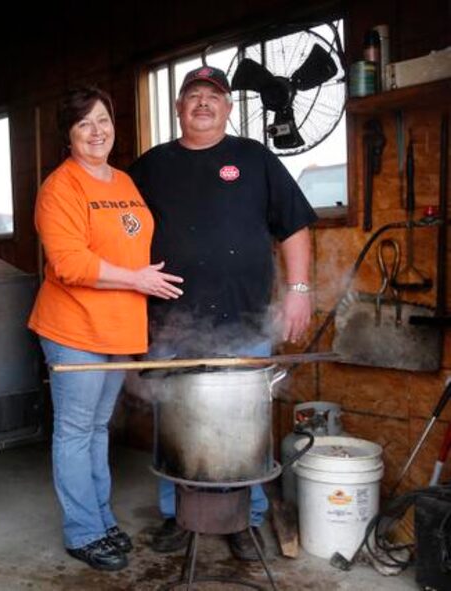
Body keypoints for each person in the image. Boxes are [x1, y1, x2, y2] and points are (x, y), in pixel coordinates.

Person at [128, 65, 317, 561]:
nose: (203, 104)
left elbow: (294, 227)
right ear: (178, 108)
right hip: (171, 321)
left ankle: (247, 518)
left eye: (214, 96)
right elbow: (118, 236)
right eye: (193, 96)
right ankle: (176, 515)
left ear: (229, 108)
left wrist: (297, 290)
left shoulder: (255, 159)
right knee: (174, 423)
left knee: (246, 424)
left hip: (246, 319)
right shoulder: (150, 167)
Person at [28, 86, 184, 571]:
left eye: (103, 121)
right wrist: (137, 279)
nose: (97, 132)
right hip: (73, 324)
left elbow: (131, 243)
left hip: (118, 326)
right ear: (69, 135)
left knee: (96, 428)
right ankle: (83, 532)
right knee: (76, 430)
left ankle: (99, 518)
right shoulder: (61, 187)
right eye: (84, 125)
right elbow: (70, 263)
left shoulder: (122, 182)